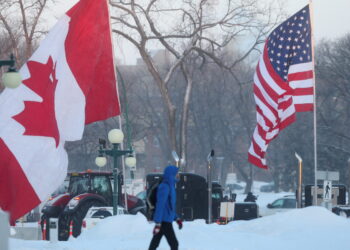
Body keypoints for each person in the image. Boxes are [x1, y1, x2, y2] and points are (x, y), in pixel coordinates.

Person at [148, 165, 183, 250]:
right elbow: (160, 205)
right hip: (164, 221)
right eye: (176, 173)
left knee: (154, 244)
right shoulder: (164, 187)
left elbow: (169, 206)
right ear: (171, 174)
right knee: (174, 244)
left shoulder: (171, 186)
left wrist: (176, 218)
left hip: (166, 219)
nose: (178, 175)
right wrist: (158, 222)